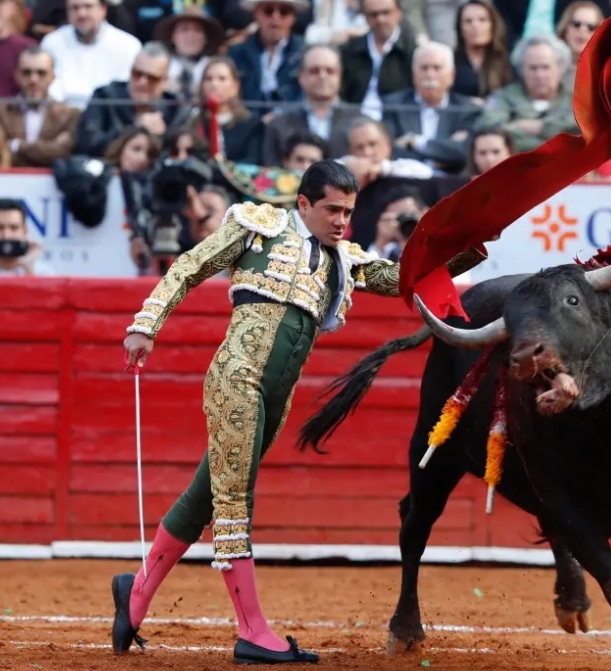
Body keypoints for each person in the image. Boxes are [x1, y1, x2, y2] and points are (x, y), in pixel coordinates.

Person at [112, 160, 486, 665]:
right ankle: (252, 631)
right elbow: (189, 265)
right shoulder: (258, 228)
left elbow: (406, 277)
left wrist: (472, 246)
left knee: (204, 497)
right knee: (234, 502)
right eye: (332, 210)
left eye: (348, 212)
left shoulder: (344, 260)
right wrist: (146, 323)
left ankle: (134, 596)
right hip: (236, 381)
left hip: (275, 397)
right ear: (303, 203)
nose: (341, 221)